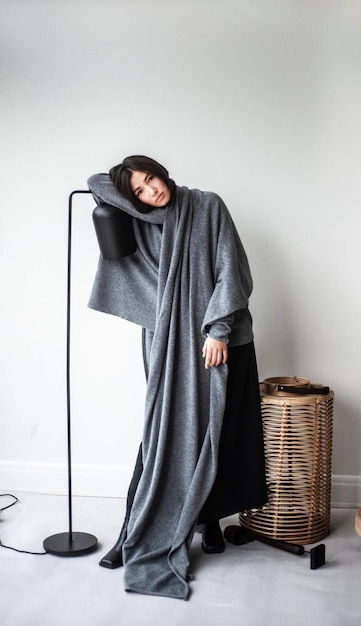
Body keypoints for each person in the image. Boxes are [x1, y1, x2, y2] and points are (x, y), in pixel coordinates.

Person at [87, 155, 267, 600]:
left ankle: (209, 523)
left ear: (162, 171)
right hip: (166, 339)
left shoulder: (206, 206)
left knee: (216, 430)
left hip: (218, 338)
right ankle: (135, 530)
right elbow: (97, 183)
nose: (152, 192)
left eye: (152, 180)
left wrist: (218, 329)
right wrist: (129, 193)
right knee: (164, 432)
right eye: (140, 192)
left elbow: (233, 269)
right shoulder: (140, 220)